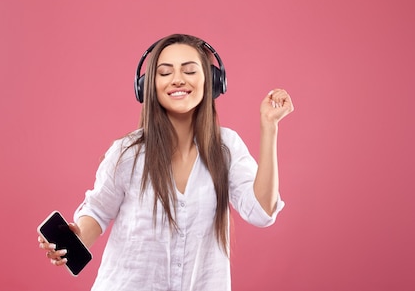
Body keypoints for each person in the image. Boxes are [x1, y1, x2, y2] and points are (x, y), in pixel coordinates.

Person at [38, 33, 294, 290]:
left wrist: (269, 127)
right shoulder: (127, 153)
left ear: (212, 81)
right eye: (165, 72)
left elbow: (262, 212)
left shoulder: (226, 148)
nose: (178, 80)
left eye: (190, 71)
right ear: (148, 85)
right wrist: (77, 236)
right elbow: (97, 212)